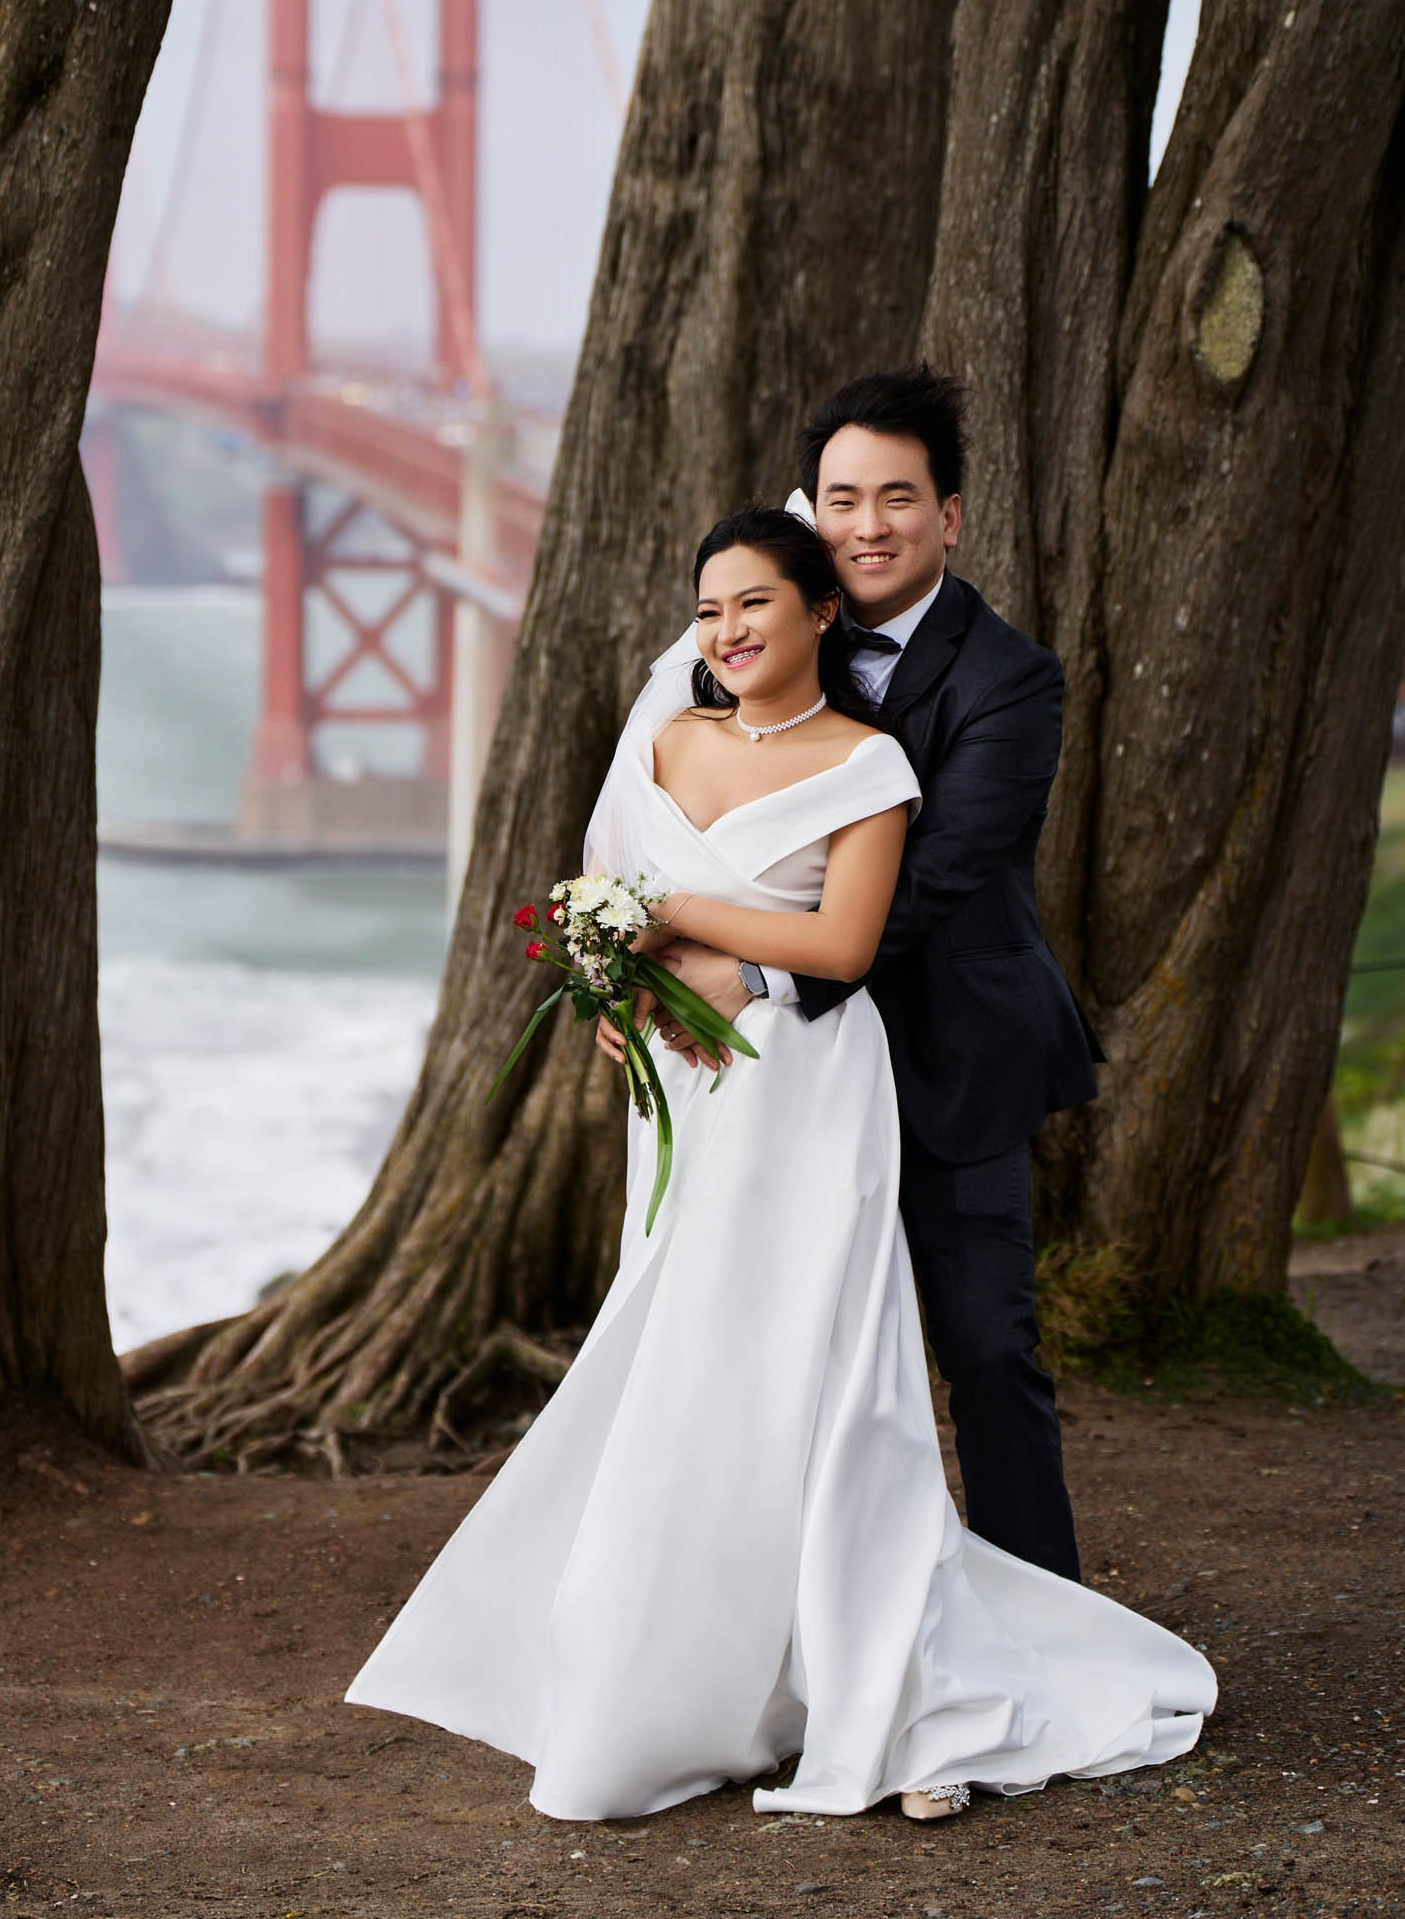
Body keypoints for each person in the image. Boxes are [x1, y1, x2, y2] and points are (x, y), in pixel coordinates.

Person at [346, 506, 1213, 1824]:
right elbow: (601, 901)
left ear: (819, 613)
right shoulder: (665, 739)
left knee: (822, 1378)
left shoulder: (866, 765)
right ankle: (679, 1680)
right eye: (707, 611)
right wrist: (613, 975)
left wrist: (666, 913)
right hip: (683, 1103)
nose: (727, 632)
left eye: (754, 603)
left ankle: (888, 1695)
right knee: (684, 1365)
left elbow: (844, 947)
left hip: (807, 1098)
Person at [637, 367, 1098, 1582]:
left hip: (949, 1054)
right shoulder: (765, 640)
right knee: (787, 1355)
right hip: (783, 1081)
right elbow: (692, 819)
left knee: (986, 1348)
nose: (869, 525)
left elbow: (931, 882)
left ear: (950, 515)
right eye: (844, 498)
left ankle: (1040, 1612)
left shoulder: (1013, 679)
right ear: (814, 507)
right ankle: (787, 1630)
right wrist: (640, 980)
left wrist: (749, 970)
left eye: (900, 498)